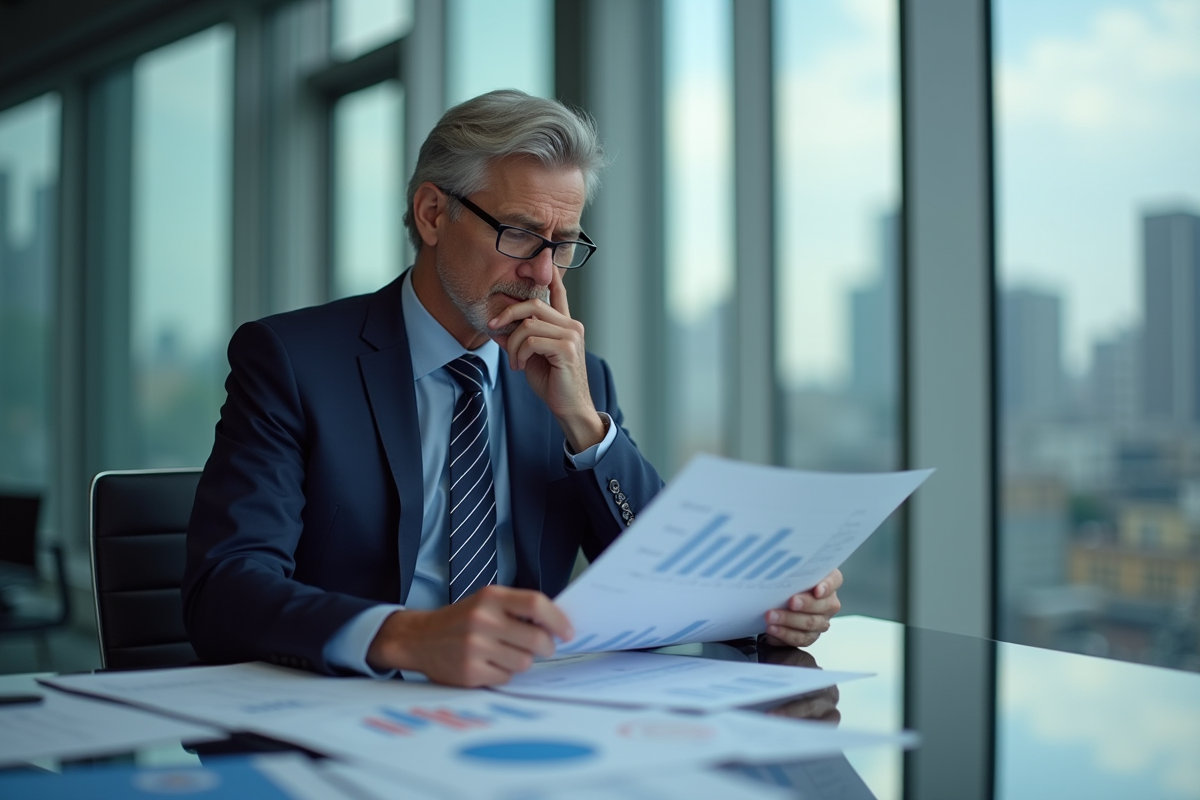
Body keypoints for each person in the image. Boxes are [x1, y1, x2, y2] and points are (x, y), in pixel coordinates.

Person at [183, 89, 842, 688]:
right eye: (520, 233)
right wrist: (407, 637)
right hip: (342, 714)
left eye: (563, 244)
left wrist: (586, 427)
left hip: (519, 725)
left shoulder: (578, 380)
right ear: (434, 213)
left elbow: (663, 582)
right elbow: (225, 588)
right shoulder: (294, 362)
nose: (540, 272)